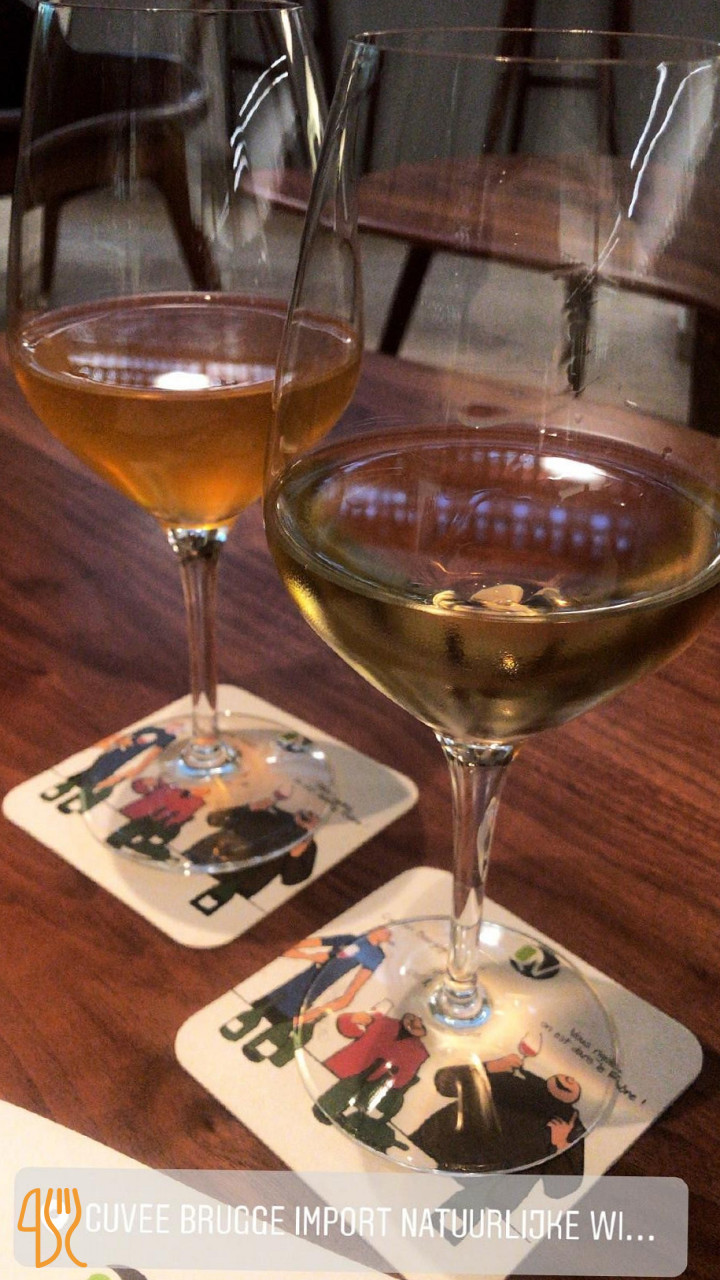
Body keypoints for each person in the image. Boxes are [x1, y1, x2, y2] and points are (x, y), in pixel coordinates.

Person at [219, 927, 392, 1068]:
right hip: (285, 991)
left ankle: (264, 1051)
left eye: (387, 932)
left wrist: (315, 1013)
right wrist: (310, 956)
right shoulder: (347, 939)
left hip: (308, 1002)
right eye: (383, 927)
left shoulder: (374, 956)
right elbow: (289, 948)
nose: (384, 930)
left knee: (278, 1033)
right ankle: (238, 1034)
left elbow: (348, 996)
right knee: (258, 1016)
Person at [410, 1052, 585, 1173]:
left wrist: (560, 1145)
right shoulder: (511, 1080)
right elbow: (445, 1084)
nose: (571, 1078)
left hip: (477, 1191)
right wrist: (489, 1067)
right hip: (425, 1149)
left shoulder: (570, 1123)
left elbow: (560, 1189)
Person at [313, 1010, 429, 1153]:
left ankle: (338, 1115)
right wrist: (353, 1020)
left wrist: (387, 1077)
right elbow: (345, 1026)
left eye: (419, 1024)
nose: (415, 1023)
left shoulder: (419, 1052)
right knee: (342, 1091)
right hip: (339, 1069)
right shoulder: (382, 1021)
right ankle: (326, 1110)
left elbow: (402, 1079)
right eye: (414, 1019)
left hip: (372, 1083)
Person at [41, 726, 175, 813]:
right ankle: (62, 793)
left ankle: (73, 802)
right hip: (112, 758)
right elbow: (121, 741)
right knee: (91, 777)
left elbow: (142, 760)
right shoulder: (149, 734)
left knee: (100, 785)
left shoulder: (156, 744)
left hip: (121, 764)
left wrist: (123, 774)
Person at [190, 833, 317, 915]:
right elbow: (216, 821)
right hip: (216, 869)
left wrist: (295, 856)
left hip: (243, 889)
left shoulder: (307, 847)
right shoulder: (270, 818)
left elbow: (291, 879)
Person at [183, 795, 318, 867]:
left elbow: (213, 818)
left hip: (226, 866)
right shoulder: (264, 817)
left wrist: (307, 831)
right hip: (195, 856)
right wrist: (249, 807)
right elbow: (213, 819)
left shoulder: (292, 834)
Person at [106, 776, 208, 861]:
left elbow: (178, 815)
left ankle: (150, 849)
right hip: (138, 816)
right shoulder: (168, 785)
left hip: (158, 826)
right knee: (139, 827)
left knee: (150, 836)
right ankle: (121, 840)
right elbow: (138, 787)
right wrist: (145, 782)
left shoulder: (195, 802)